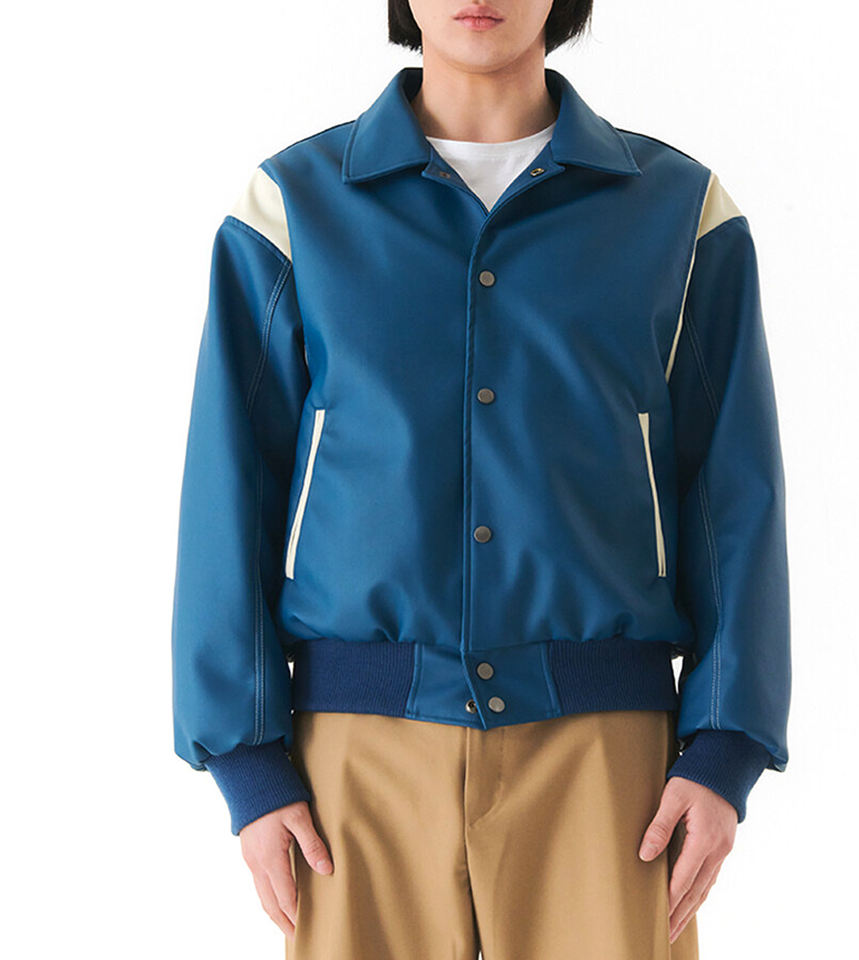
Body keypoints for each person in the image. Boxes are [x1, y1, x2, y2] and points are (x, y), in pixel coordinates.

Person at [171, 2, 791, 957]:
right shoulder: (292, 206)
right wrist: (247, 760)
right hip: (355, 764)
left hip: (606, 764)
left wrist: (725, 747)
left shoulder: (680, 212)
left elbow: (733, 496)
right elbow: (230, 482)